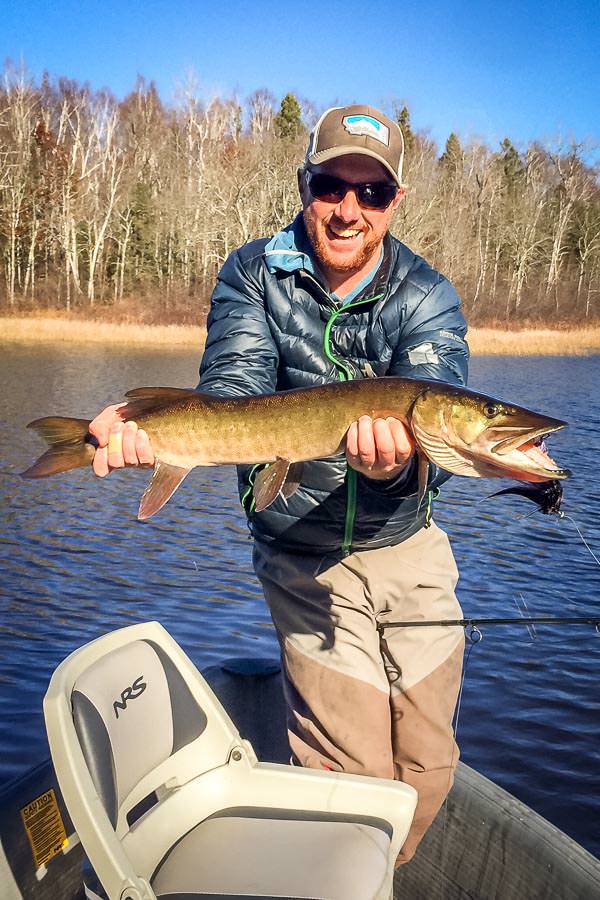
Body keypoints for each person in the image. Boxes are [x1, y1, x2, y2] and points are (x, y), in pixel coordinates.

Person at [89, 104, 469, 864]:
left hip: (405, 542)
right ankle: (343, 875)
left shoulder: (427, 293)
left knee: (430, 768)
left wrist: (401, 460)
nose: (348, 209)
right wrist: (153, 429)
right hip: (302, 554)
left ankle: (361, 877)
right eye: (331, 184)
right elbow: (234, 382)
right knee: (357, 782)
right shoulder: (254, 271)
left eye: (371, 193)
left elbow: (442, 399)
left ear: (395, 202)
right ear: (305, 185)